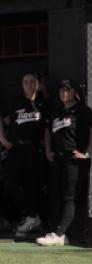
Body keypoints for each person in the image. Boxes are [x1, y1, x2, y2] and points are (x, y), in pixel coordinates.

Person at [36, 79, 92, 246]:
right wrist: (48, 150)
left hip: (74, 159)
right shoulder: (56, 112)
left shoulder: (82, 110)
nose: (64, 93)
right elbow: (48, 131)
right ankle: (61, 233)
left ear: (74, 92)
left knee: (70, 197)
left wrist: (87, 153)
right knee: (57, 195)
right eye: (62, 90)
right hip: (58, 159)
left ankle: (58, 234)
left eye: (68, 90)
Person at [0, 72, 49, 237]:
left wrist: (46, 144)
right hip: (16, 148)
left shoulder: (43, 102)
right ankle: (29, 215)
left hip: (34, 150)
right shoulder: (16, 101)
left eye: (32, 82)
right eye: (25, 82)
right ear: (22, 85)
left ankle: (32, 218)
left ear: (37, 84)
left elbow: (48, 127)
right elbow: (3, 119)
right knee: (9, 183)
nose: (28, 85)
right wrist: (3, 139)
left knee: (32, 186)